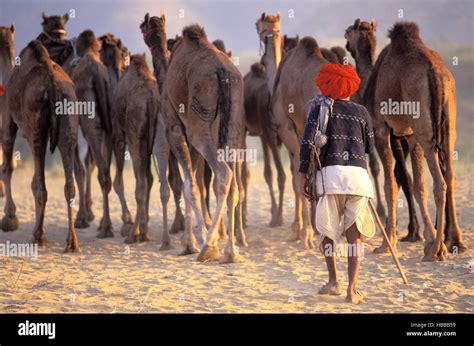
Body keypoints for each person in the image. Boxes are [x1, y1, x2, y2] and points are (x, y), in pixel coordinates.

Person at [299, 63, 376, 304]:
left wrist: (304, 173)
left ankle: (333, 281)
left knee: (329, 233)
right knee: (355, 236)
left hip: (330, 179)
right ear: (351, 87)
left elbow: (307, 144)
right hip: (358, 179)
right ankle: (352, 289)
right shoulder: (362, 112)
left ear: (326, 84)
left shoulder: (318, 109)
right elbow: (369, 148)